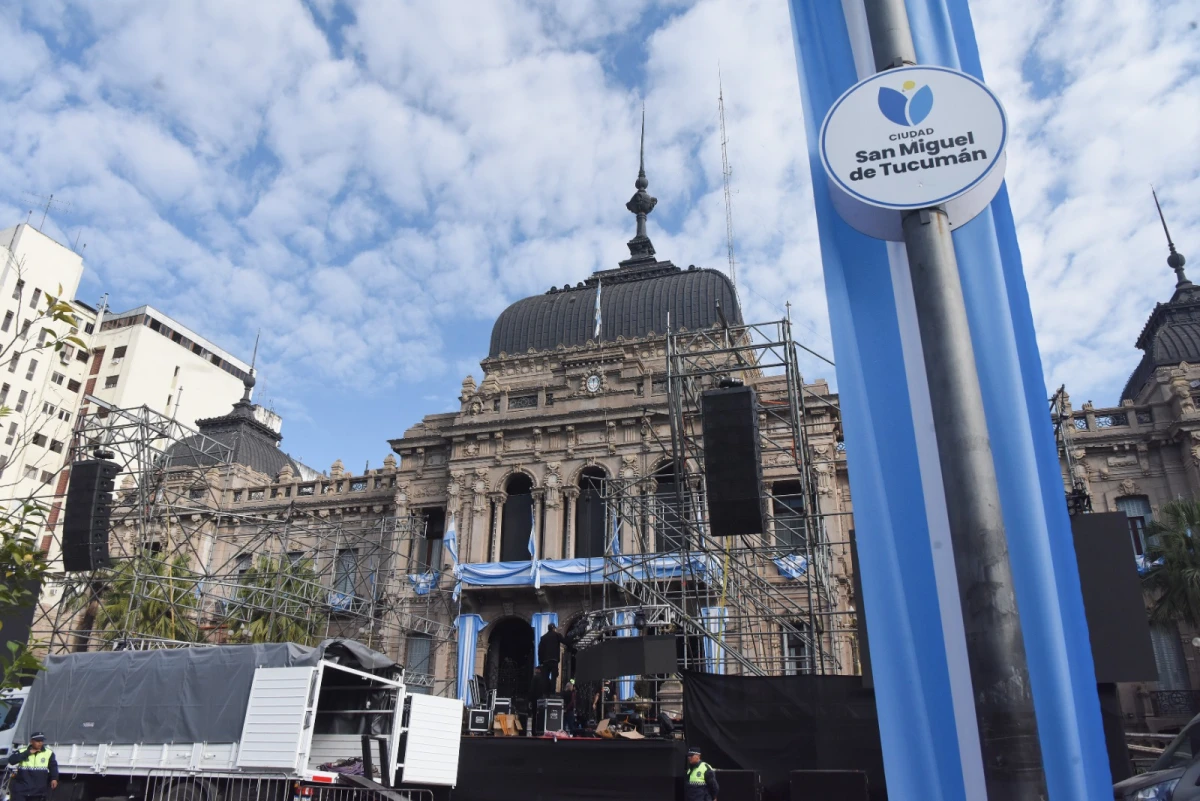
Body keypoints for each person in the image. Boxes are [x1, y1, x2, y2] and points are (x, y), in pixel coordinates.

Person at [6, 732, 58, 801]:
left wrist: (54, 778)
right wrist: (28, 753)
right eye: (37, 741)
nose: (40, 743)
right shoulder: (22, 751)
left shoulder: (49, 753)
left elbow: (53, 766)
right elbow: (11, 760)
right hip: (22, 789)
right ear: (31, 741)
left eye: (41, 741)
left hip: (39, 791)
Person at [538, 623, 566, 690]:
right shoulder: (557, 635)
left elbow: (540, 650)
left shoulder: (543, 637)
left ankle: (545, 693)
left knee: (545, 678)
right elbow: (564, 641)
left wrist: (541, 661)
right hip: (554, 660)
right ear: (554, 628)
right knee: (554, 677)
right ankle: (552, 693)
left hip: (545, 661)